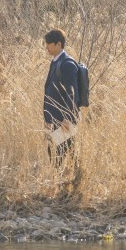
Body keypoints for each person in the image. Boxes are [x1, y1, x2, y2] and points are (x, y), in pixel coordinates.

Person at [42, 29, 80, 168]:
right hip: (54, 120)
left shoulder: (67, 64)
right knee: (57, 154)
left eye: (49, 44)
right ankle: (65, 184)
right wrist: (47, 119)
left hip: (63, 120)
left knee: (58, 155)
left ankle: (62, 185)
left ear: (58, 44)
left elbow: (72, 93)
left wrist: (67, 118)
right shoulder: (55, 62)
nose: (46, 47)